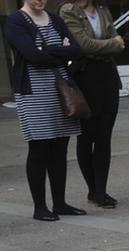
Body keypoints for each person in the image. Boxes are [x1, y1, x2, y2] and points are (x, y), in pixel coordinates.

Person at [6, 0, 84, 221]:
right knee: (39, 148)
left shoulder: (55, 18)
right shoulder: (15, 21)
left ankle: (60, 203)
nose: (40, 0)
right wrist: (61, 50)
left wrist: (48, 50)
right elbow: (33, 56)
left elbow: (76, 50)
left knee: (60, 147)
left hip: (61, 91)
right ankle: (40, 207)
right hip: (33, 92)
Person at [60, 0, 124, 208]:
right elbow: (82, 45)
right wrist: (111, 44)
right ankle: (92, 189)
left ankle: (101, 190)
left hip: (108, 76)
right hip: (85, 78)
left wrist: (108, 46)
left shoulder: (103, 8)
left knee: (104, 136)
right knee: (86, 136)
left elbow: (119, 42)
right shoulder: (69, 10)